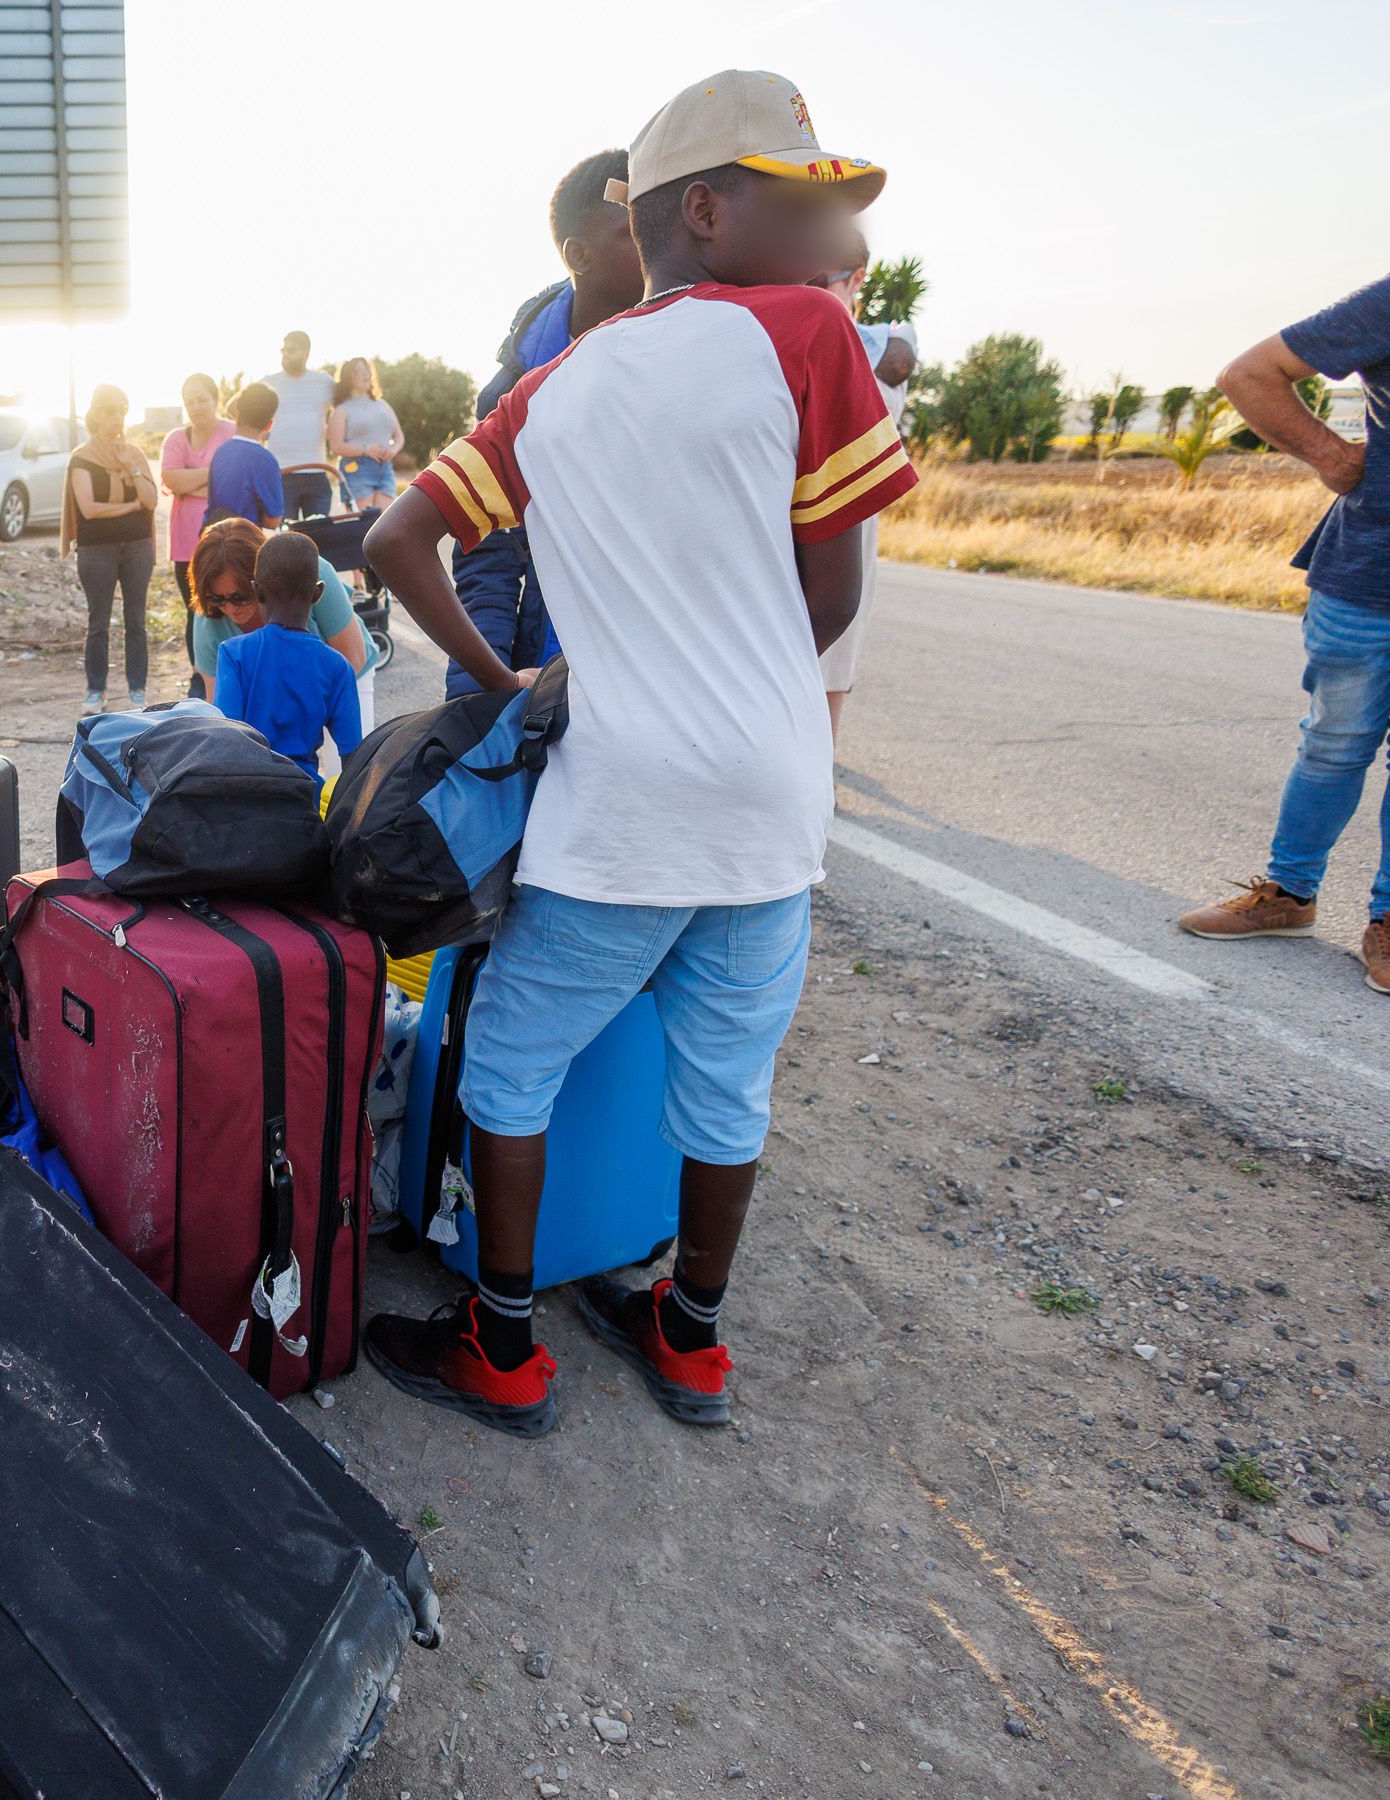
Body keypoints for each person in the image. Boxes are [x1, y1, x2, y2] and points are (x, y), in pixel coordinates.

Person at [361, 71, 910, 1436]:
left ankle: (501, 1350)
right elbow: (831, 602)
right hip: (772, 804)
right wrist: (742, 670)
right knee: (725, 1078)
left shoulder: (553, 386)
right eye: (804, 201)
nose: (834, 240)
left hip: (620, 802)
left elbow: (393, 545)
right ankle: (693, 1340)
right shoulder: (808, 335)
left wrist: (511, 680)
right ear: (708, 211)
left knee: (511, 1066)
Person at [1177, 243, 1390, 1002]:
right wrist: (1331, 457)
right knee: (1337, 743)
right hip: (1377, 576)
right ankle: (1288, 894)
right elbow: (1250, 374)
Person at [443, 148, 644, 700]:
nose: (655, 242)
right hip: (555, 669)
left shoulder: (700, 354)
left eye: (657, 219)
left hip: (666, 673)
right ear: (577, 254)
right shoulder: (513, 392)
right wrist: (479, 694)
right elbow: (488, 554)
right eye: (631, 231)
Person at [809, 228, 917, 737]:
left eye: (820, 278)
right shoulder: (883, 347)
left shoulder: (882, 353)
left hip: (844, 521)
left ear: (856, 280)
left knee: (832, 668)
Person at [212, 531, 363, 780]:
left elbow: (225, 739)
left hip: (245, 798)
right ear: (317, 594)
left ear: (256, 592)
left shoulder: (234, 655)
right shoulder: (337, 667)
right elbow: (354, 757)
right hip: (304, 799)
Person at [186, 518, 374, 712]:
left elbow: (353, 659)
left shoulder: (310, 572)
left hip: (343, 679)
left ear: (261, 584)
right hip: (269, 700)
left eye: (240, 597)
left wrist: (303, 716)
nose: (230, 608)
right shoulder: (207, 616)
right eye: (217, 598)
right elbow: (219, 705)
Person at [62, 384, 159, 714]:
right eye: (110, 410)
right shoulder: (82, 459)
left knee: (136, 621)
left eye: (122, 410)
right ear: (96, 414)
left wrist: (131, 466)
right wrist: (131, 505)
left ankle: (137, 691)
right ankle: (95, 691)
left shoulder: (134, 454)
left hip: (136, 546)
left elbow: (151, 501)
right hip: (96, 549)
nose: (117, 417)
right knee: (98, 622)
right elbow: (89, 509)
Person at [159, 374, 237, 695]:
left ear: (215, 399)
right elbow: (172, 480)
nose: (196, 407)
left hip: (226, 539)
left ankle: (233, 670)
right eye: (189, 401)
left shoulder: (231, 432)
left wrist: (191, 479)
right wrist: (213, 474)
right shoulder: (176, 438)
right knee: (197, 610)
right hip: (184, 541)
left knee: (231, 604)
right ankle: (199, 676)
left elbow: (236, 477)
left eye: (202, 399)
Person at [264, 331, 338, 519]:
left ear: (305, 352)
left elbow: (347, 410)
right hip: (281, 473)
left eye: (291, 350)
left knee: (318, 538)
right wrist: (259, 430)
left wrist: (337, 433)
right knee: (286, 539)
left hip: (316, 473)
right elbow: (235, 406)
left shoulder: (323, 381)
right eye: (283, 350)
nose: (285, 355)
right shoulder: (269, 382)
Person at [326, 358, 404, 515]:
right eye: (359, 370)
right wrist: (365, 450)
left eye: (367, 369)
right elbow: (336, 446)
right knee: (364, 526)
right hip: (356, 469)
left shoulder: (383, 405)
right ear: (349, 377)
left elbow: (399, 436)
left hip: (385, 469)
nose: (365, 373)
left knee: (384, 525)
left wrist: (392, 450)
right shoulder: (342, 410)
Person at [205, 382, 286, 531]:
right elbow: (273, 520)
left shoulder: (221, 451)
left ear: (238, 415)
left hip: (214, 536)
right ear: (269, 425)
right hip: (244, 541)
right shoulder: (265, 459)